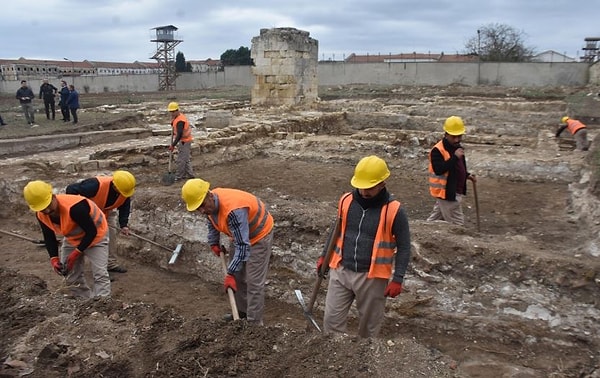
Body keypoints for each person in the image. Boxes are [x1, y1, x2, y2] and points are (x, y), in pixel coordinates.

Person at [318, 155, 411, 338]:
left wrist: (398, 278)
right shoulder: (346, 201)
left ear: (382, 184)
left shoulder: (394, 211)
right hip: (341, 270)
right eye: (362, 186)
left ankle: (362, 362)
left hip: (372, 277)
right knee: (331, 321)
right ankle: (335, 359)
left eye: (370, 187)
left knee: (369, 330)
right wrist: (324, 256)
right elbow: (335, 231)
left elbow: (404, 246)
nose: (364, 191)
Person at [181, 178, 274, 325]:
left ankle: (254, 325)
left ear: (210, 195)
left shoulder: (233, 211)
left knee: (253, 282)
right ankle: (242, 313)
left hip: (258, 235)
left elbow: (243, 246)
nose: (202, 211)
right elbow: (211, 220)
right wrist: (214, 242)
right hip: (239, 235)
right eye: (198, 208)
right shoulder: (209, 206)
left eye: (203, 206)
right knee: (237, 276)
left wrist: (229, 273)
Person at [23, 180, 110, 299]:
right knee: (69, 273)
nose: (47, 211)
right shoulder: (41, 214)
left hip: (96, 236)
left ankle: (103, 304)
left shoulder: (76, 207)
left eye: (48, 206)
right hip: (73, 238)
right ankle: (84, 302)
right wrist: (54, 258)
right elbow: (49, 237)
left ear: (53, 197)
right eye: (42, 209)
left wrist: (76, 253)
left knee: (100, 274)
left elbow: (91, 232)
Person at [66, 170, 135, 274]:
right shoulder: (94, 185)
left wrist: (124, 225)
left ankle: (110, 264)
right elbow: (71, 189)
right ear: (115, 185)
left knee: (110, 237)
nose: (123, 194)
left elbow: (125, 207)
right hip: (88, 214)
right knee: (94, 239)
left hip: (106, 212)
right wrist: (81, 210)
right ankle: (89, 269)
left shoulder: (125, 190)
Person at [427, 116, 476, 226]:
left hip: (452, 190)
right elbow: (439, 170)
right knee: (457, 224)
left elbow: (457, 167)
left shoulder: (457, 147)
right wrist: (454, 157)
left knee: (434, 220)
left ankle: (421, 233)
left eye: (459, 136)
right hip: (446, 192)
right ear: (446, 134)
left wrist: (467, 175)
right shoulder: (437, 150)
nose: (457, 139)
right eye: (454, 137)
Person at [167, 102, 195, 181]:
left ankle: (179, 176)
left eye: (173, 112)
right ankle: (190, 174)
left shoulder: (180, 121)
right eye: (170, 112)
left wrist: (173, 145)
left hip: (184, 141)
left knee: (181, 160)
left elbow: (179, 134)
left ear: (177, 110)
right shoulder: (178, 117)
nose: (171, 113)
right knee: (185, 158)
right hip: (185, 140)